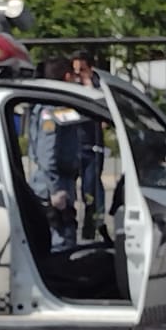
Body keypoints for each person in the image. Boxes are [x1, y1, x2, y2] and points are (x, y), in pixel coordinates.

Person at [28, 57, 83, 252]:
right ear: (67, 77)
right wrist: (55, 190)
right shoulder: (53, 111)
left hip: (57, 181)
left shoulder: (54, 107)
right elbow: (47, 154)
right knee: (61, 242)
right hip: (54, 185)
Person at [69, 50, 106, 240]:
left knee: (90, 188)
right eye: (75, 70)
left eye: (81, 70)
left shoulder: (99, 85)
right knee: (70, 188)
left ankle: (95, 225)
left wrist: (89, 84)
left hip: (93, 144)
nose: (78, 74)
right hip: (75, 143)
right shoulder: (70, 85)